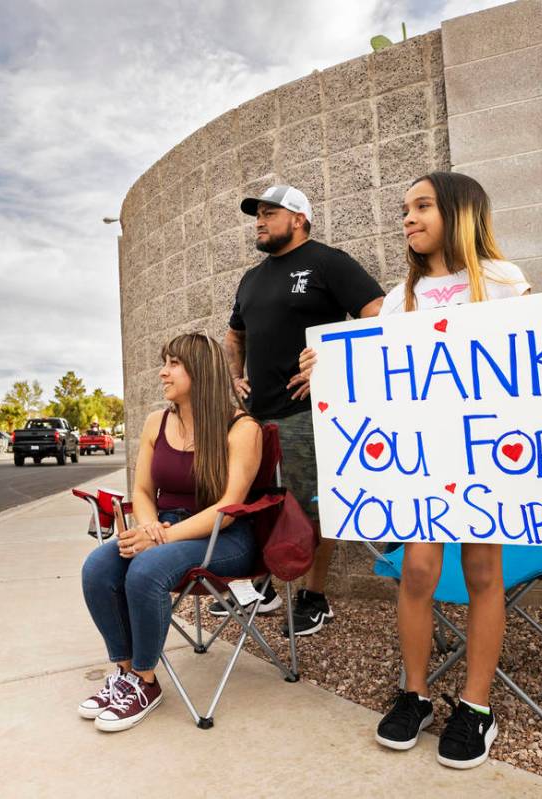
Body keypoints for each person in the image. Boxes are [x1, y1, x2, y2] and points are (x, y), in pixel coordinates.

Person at [295, 171, 542, 769]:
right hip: (423, 468)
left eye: (422, 206)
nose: (407, 218)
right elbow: (378, 377)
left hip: (491, 461)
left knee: (485, 568)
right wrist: (325, 368)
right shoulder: (400, 298)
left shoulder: (505, 283)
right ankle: (414, 692)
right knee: (417, 568)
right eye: (404, 209)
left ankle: (476, 707)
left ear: (460, 212)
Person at [219, 184, 385, 635]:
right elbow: (235, 335)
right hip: (257, 415)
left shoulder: (329, 262)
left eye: (269, 213)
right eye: (257, 214)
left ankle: (315, 595)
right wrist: (236, 377)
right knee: (256, 502)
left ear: (298, 218)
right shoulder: (251, 279)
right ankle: (264, 586)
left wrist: (331, 362)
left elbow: (380, 316)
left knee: (313, 506)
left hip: (308, 411)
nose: (259, 221)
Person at [79, 332, 262, 732]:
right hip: (166, 526)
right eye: (165, 362)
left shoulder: (242, 428)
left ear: (201, 370)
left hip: (223, 537)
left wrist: (158, 538)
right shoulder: (155, 423)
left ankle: (146, 682)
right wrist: (147, 527)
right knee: (98, 567)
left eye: (173, 363)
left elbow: (228, 508)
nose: (163, 372)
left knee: (146, 570)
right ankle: (126, 673)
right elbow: (143, 491)